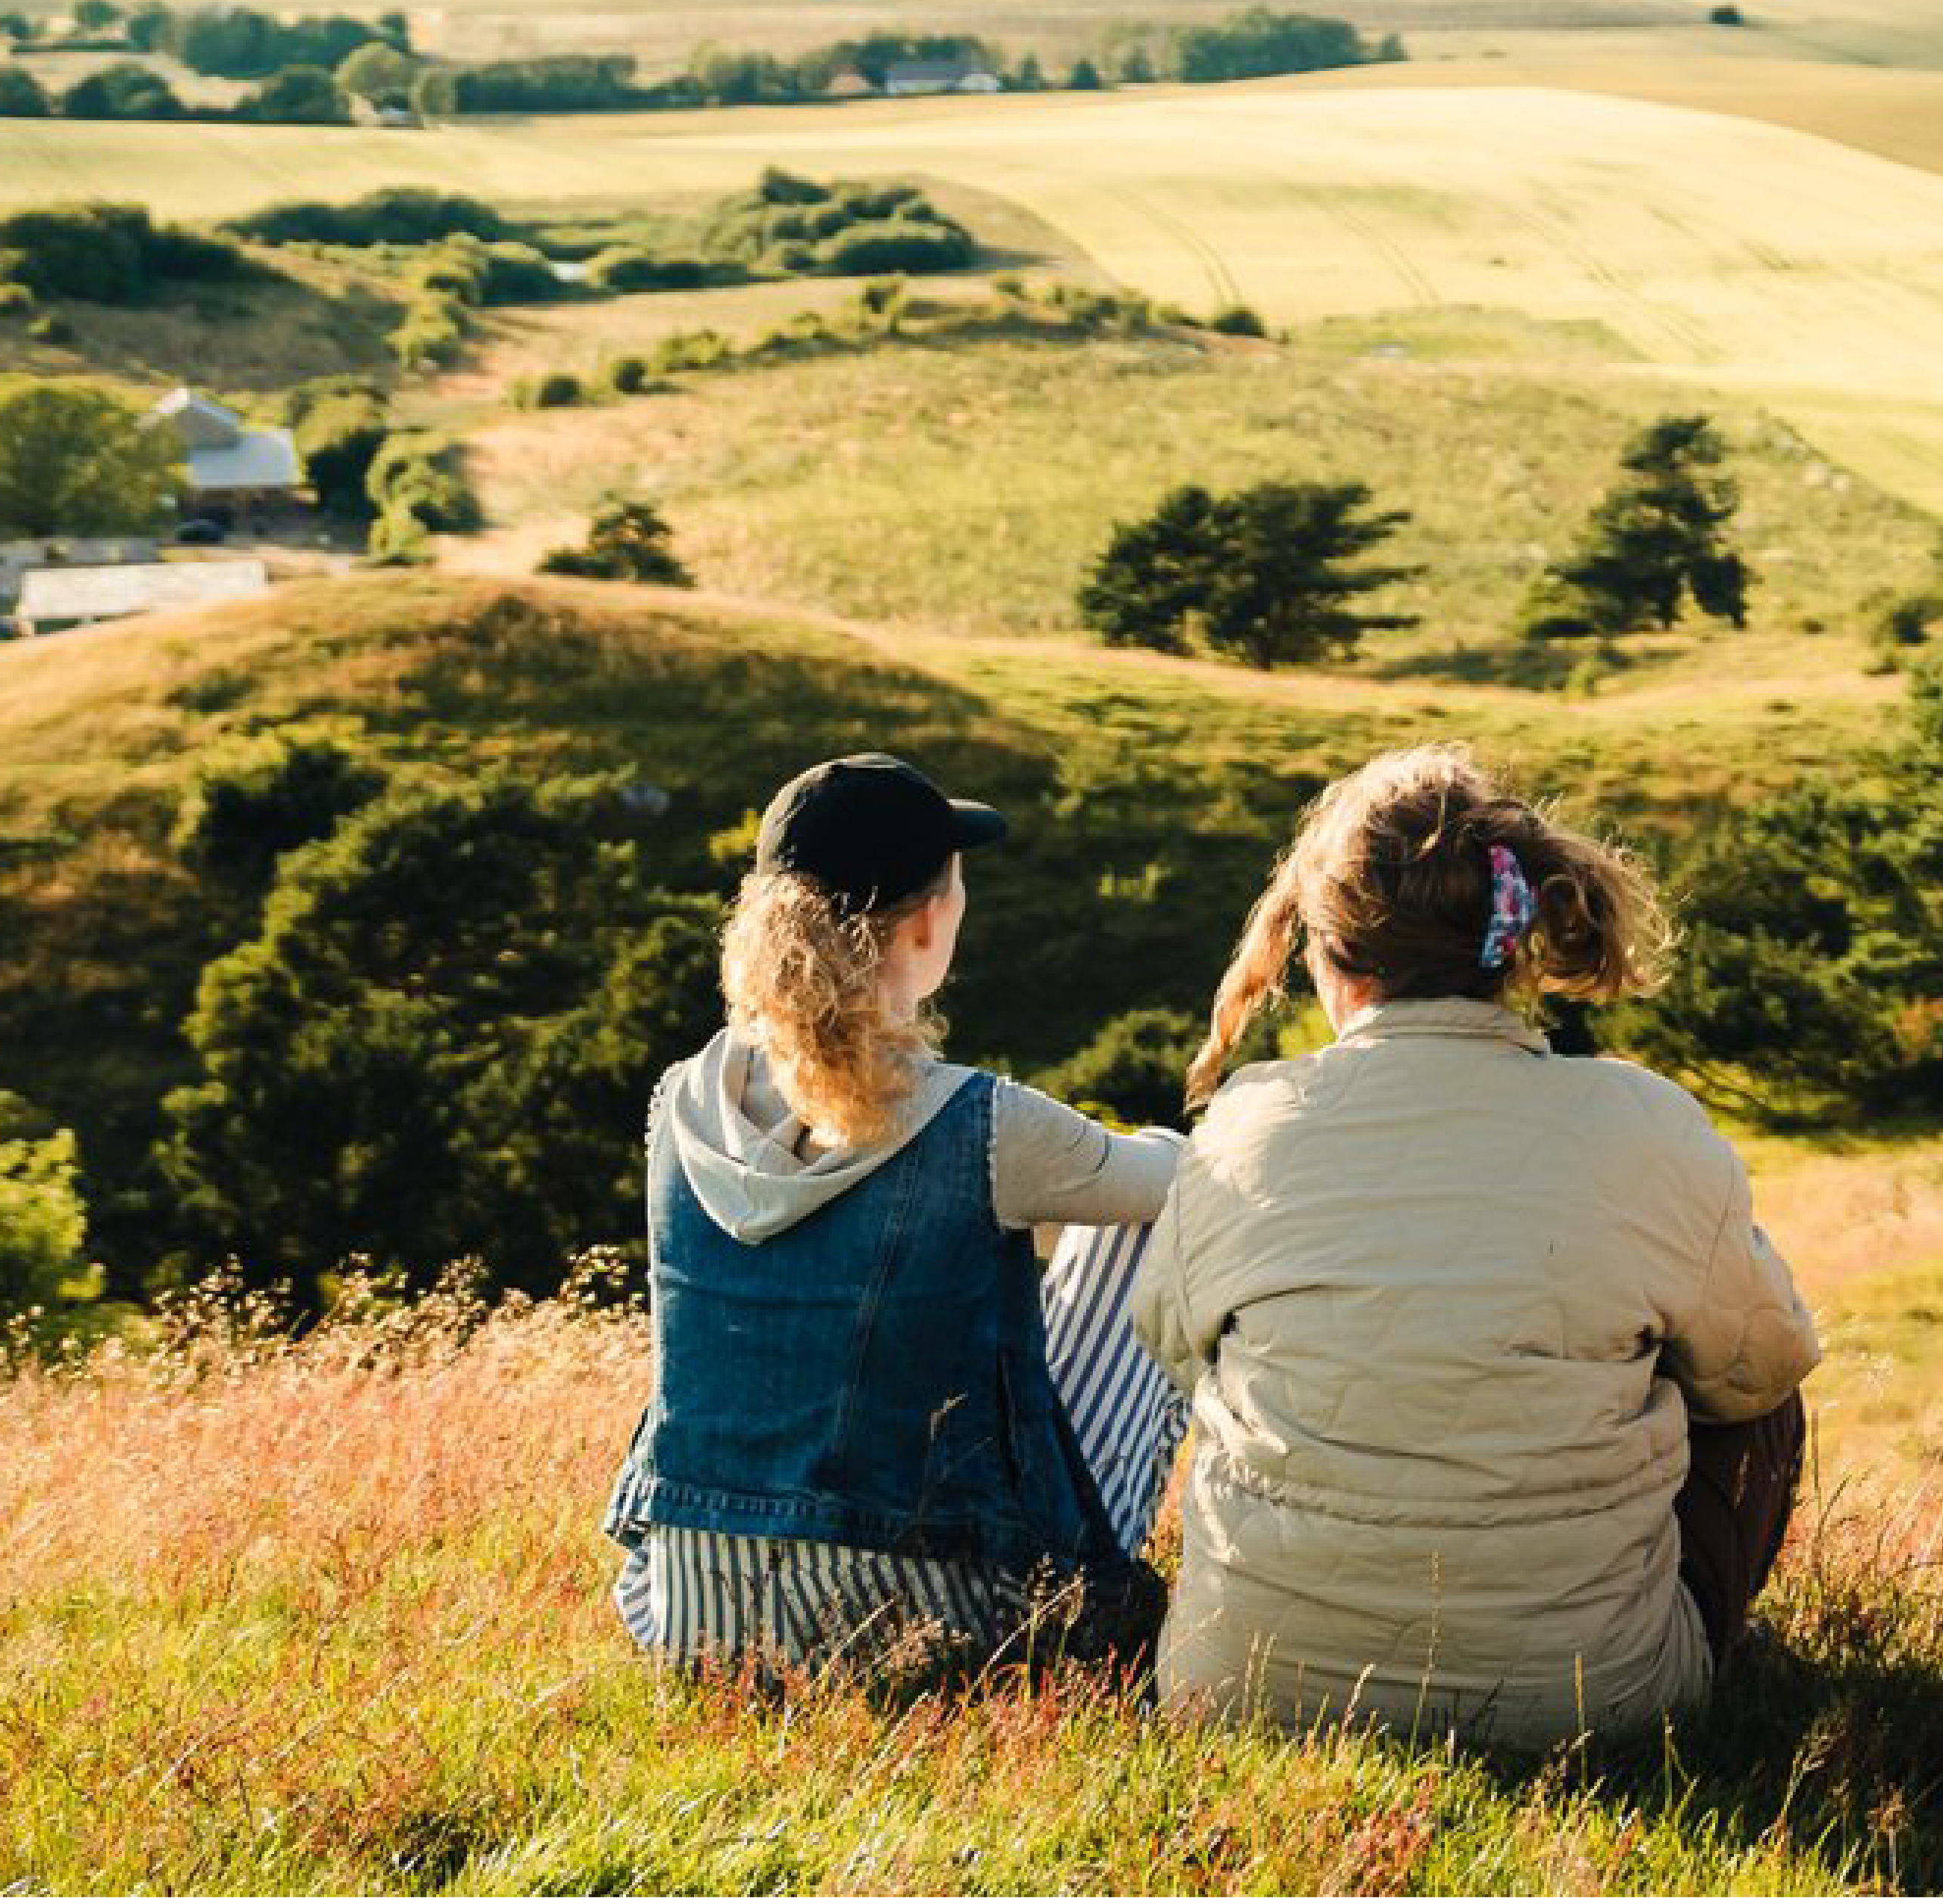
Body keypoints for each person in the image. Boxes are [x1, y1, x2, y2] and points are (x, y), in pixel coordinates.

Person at [1132, 744, 1820, 1746]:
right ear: (1519, 939)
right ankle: (1654, 1642)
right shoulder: (1641, 1119)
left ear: (1324, 957)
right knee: (1755, 1390)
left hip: (1241, 1694)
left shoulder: (1247, 1121)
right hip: (1594, 1707)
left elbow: (1172, 1343)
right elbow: (1765, 1369)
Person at [604, 753, 1191, 1684]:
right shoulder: (985, 1120)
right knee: (1144, 1223)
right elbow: (1176, 1180)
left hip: (689, 1610)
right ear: (927, 921)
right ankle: (1137, 1588)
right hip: (928, 1619)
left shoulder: (676, 1106)